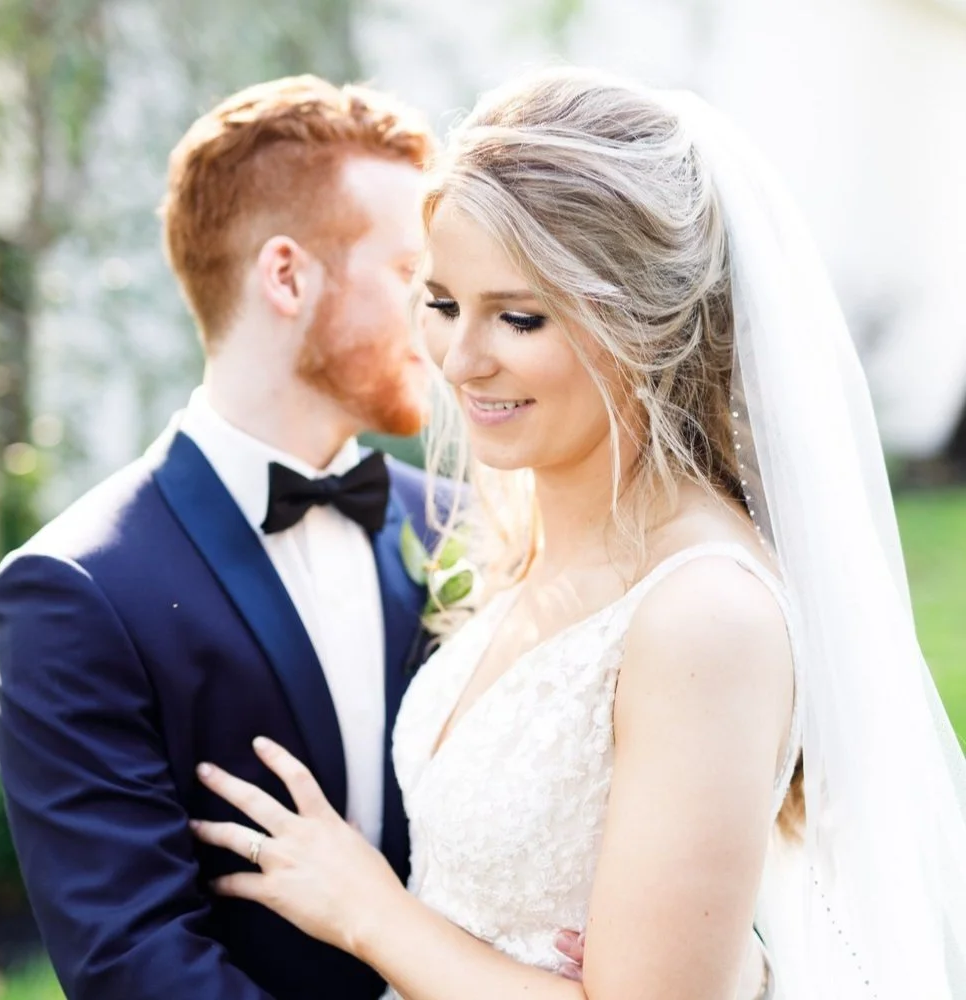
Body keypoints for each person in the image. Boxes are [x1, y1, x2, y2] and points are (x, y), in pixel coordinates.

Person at [190, 66, 966, 1000]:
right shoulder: (529, 527)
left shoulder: (705, 614)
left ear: (640, 323)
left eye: (519, 317)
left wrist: (368, 909)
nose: (462, 361)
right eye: (441, 304)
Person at [0, 75, 437, 1000]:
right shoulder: (77, 588)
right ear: (286, 275)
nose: (438, 319)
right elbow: (131, 959)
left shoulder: (465, 526)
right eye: (407, 275)